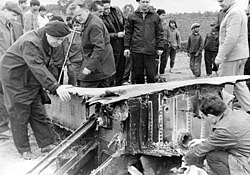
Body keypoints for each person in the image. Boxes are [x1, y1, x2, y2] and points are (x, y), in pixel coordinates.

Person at [0, 21, 71, 160]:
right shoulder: (30, 42)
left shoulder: (48, 41)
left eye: (62, 39)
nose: (60, 42)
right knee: (19, 114)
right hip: (15, 79)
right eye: (58, 39)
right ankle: (24, 149)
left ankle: (46, 144)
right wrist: (55, 87)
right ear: (48, 34)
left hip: (30, 77)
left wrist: (57, 84)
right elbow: (37, 66)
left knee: (37, 110)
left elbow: (49, 64)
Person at [185, 94, 250, 175]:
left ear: (210, 116)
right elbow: (234, 138)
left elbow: (201, 150)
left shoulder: (224, 130)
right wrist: (203, 140)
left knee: (212, 157)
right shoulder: (240, 114)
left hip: (247, 163)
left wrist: (186, 160)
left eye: (205, 117)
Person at [69, 0, 116, 88]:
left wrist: (89, 67)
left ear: (87, 10)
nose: (78, 18)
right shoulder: (88, 20)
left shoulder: (94, 25)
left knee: (88, 89)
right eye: (75, 16)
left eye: (79, 15)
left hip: (100, 65)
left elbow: (99, 48)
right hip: (96, 63)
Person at [214, 0, 250, 113]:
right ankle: (248, 110)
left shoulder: (234, 13)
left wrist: (220, 56)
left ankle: (226, 116)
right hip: (239, 55)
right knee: (240, 85)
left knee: (226, 87)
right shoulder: (238, 11)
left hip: (231, 57)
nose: (220, 4)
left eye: (221, 1)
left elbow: (231, 38)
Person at [124, 0, 164, 84]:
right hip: (136, 50)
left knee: (151, 75)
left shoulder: (155, 16)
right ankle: (140, 96)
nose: (145, 4)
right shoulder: (132, 16)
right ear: (138, 2)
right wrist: (126, 47)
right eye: (143, 2)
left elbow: (160, 32)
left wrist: (160, 47)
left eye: (147, 2)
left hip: (150, 50)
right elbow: (128, 33)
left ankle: (152, 96)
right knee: (137, 76)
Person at [0, 2, 23, 137]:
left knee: (8, 94)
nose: (15, 18)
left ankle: (7, 124)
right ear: (4, 10)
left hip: (9, 66)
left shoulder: (14, 26)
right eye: (13, 15)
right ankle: (2, 128)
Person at [101, 0, 126, 86]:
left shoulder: (116, 11)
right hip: (110, 45)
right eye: (104, 9)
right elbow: (103, 34)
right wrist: (116, 35)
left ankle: (119, 84)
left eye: (108, 8)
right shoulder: (99, 17)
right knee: (111, 68)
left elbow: (124, 21)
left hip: (121, 43)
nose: (107, 11)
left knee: (121, 66)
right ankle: (110, 86)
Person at [67, 17, 83, 86]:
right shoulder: (69, 37)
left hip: (84, 62)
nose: (76, 28)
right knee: (72, 84)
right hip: (73, 64)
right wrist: (68, 64)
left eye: (78, 25)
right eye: (74, 25)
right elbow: (65, 51)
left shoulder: (86, 35)